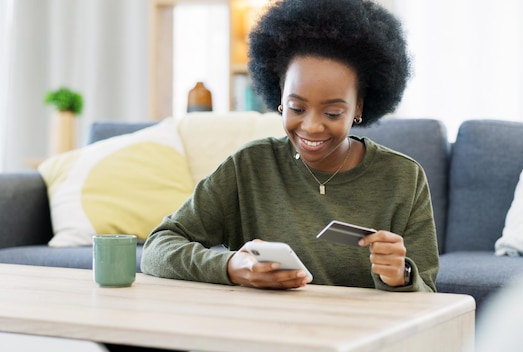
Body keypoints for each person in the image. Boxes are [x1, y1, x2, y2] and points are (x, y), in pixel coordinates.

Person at [141, 0, 439, 292]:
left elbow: (429, 294)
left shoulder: (403, 178)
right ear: (279, 99)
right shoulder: (250, 167)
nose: (311, 126)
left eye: (333, 113)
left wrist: (401, 276)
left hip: (361, 338)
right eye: (297, 108)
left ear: (358, 107)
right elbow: (157, 248)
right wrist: (233, 267)